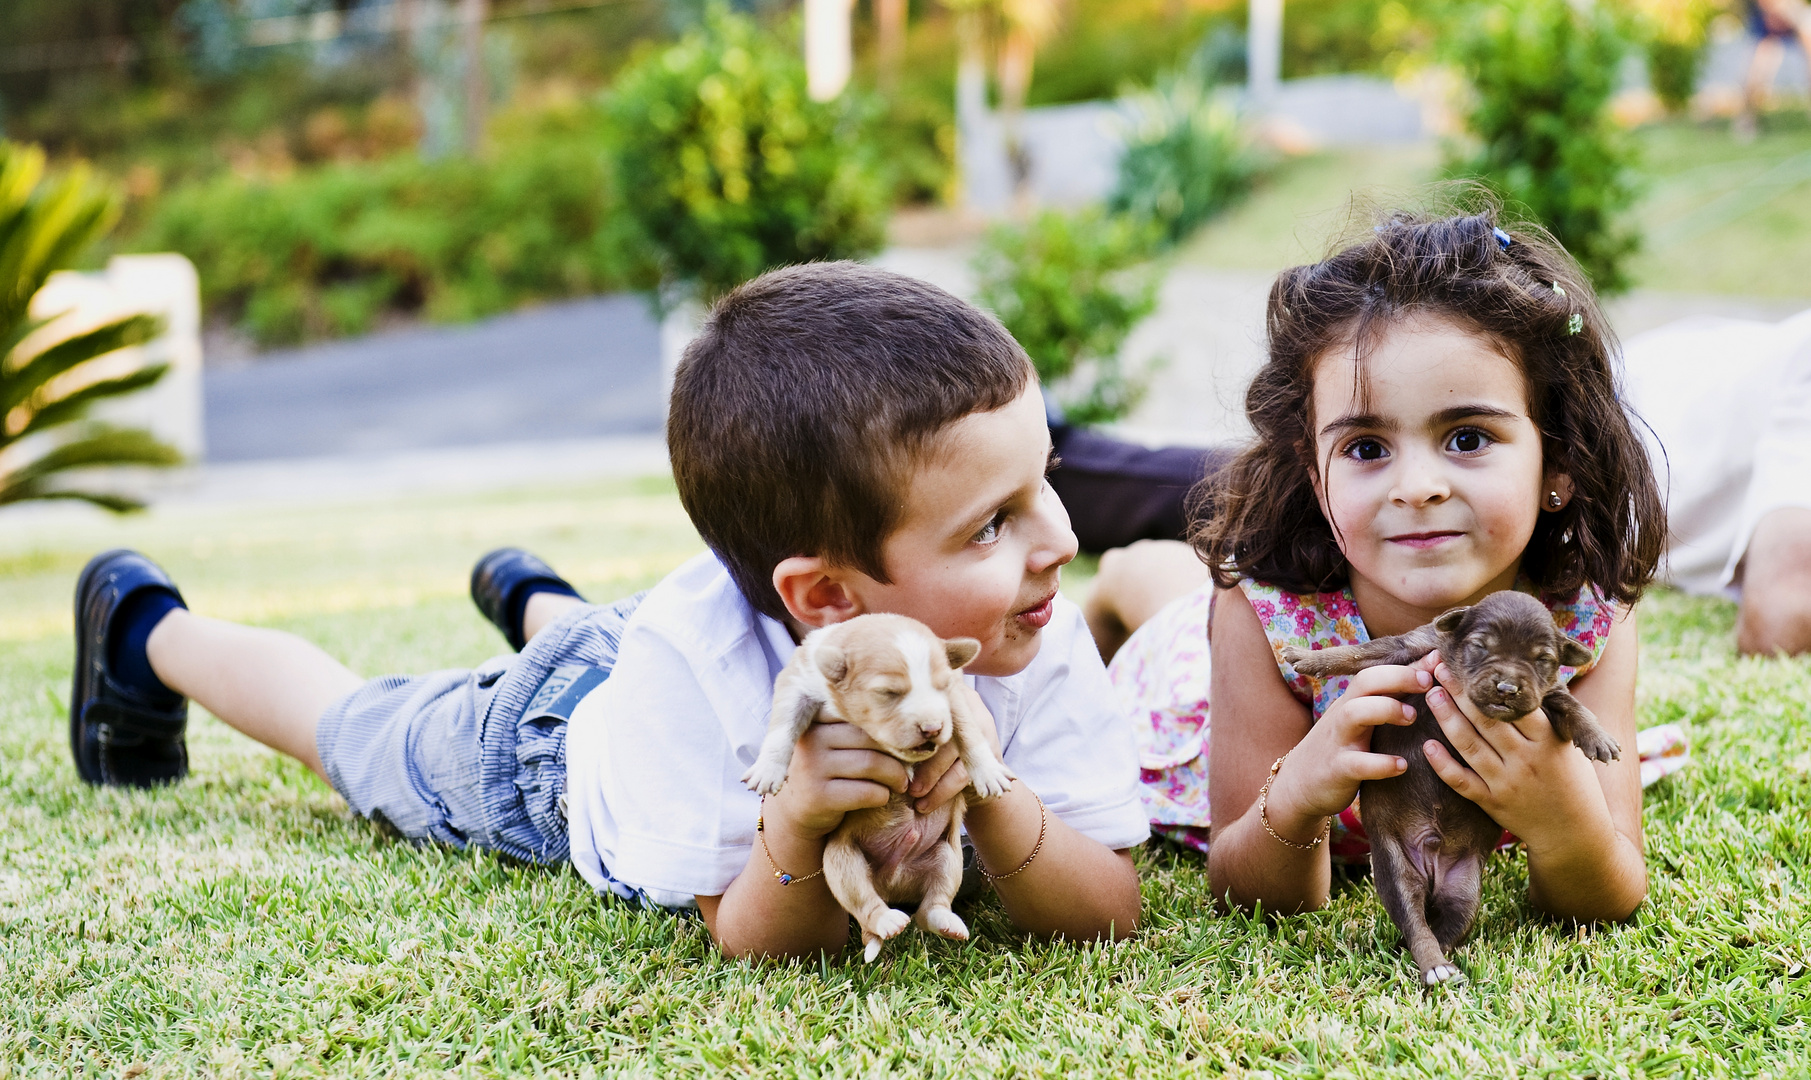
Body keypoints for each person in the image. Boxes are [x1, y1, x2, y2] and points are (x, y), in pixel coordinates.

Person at [67, 263, 1147, 960]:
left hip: (647, 660)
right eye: (991, 523)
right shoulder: (697, 670)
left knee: (609, 648)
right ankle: (145, 628)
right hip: (555, 739)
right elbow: (753, 938)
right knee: (353, 731)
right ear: (824, 597)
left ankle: (538, 602)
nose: (1058, 539)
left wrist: (997, 798)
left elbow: (1109, 909)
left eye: (1043, 482)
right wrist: (798, 819)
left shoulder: (1015, 627)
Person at [1091, 211, 1663, 919]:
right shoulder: (1263, 614)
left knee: (1173, 589)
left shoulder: (1586, 617)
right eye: (1365, 448)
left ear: (1560, 461)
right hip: (1219, 665)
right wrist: (1298, 797)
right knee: (1165, 603)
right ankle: (1122, 574)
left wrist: (1562, 819)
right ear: (1315, 475)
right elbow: (1247, 888)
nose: (1414, 486)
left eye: (1466, 436)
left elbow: (1608, 893)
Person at [1736, 0, 1811, 139]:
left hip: (1794, 12)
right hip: (1767, 18)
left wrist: (1789, 9)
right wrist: (1773, 10)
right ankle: (1746, 120)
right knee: (1757, 70)